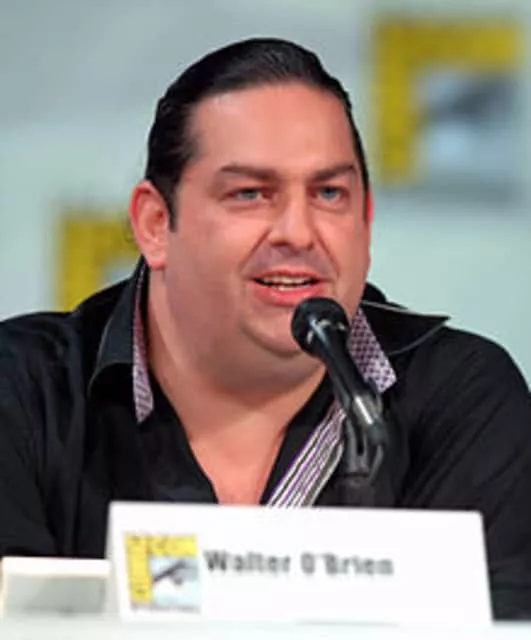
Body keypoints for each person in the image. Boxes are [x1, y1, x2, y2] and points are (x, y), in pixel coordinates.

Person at [0, 37, 530, 620]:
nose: (297, 233)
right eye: (251, 194)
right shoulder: (24, 394)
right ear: (154, 224)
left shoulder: (461, 400)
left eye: (329, 193)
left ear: (365, 218)